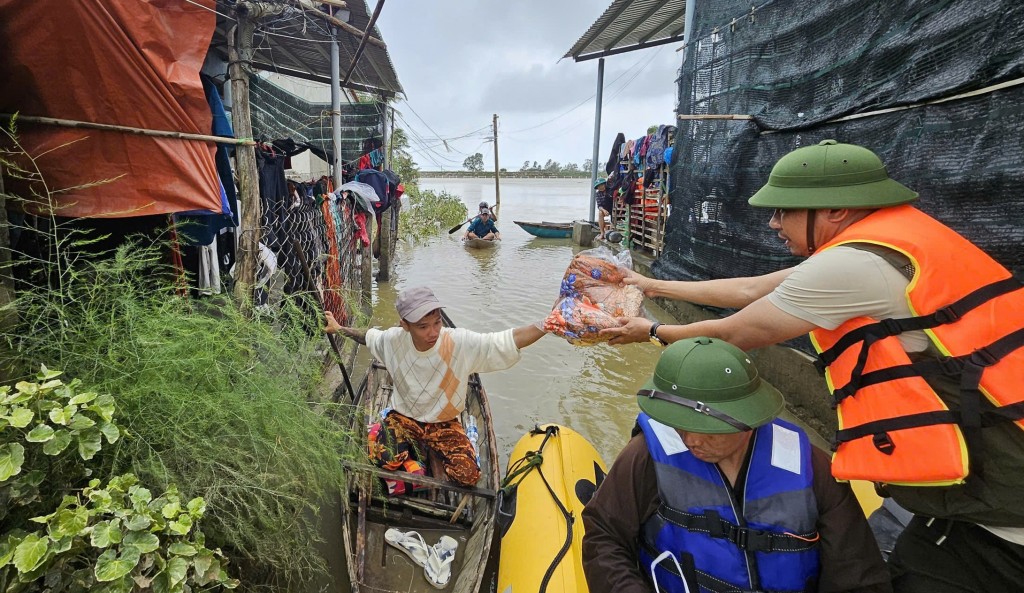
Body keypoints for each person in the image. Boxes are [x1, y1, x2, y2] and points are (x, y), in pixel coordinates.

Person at [601, 140, 1024, 592]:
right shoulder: (895, 242)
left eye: (785, 211)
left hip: (1003, 485)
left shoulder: (852, 268)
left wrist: (648, 331)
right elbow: (750, 289)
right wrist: (648, 283)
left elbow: (735, 332)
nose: (773, 222)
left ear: (835, 211)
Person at [582, 337, 890, 593]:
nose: (690, 439)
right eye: (679, 424)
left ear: (748, 420)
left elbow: (857, 572)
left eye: (705, 427)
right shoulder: (645, 456)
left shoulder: (811, 466)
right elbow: (604, 536)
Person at [325, 286, 544, 486]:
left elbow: (506, 340)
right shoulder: (393, 340)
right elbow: (369, 337)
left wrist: (547, 325)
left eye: (437, 322)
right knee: (385, 460)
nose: (433, 332)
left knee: (468, 476)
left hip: (444, 422)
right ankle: (413, 458)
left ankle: (421, 457)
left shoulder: (458, 343)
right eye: (423, 327)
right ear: (405, 325)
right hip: (404, 417)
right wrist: (339, 328)